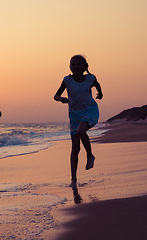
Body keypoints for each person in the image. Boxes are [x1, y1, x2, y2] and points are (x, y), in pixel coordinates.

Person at [54, 55, 103, 188]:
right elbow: (55, 95)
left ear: (85, 66)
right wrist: (62, 99)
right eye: (73, 64)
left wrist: (100, 94)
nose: (76, 66)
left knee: (81, 131)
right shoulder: (67, 80)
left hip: (89, 111)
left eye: (79, 64)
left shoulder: (90, 79)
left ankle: (90, 155)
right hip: (74, 115)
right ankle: (73, 179)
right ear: (70, 67)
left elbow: (97, 85)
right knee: (75, 148)